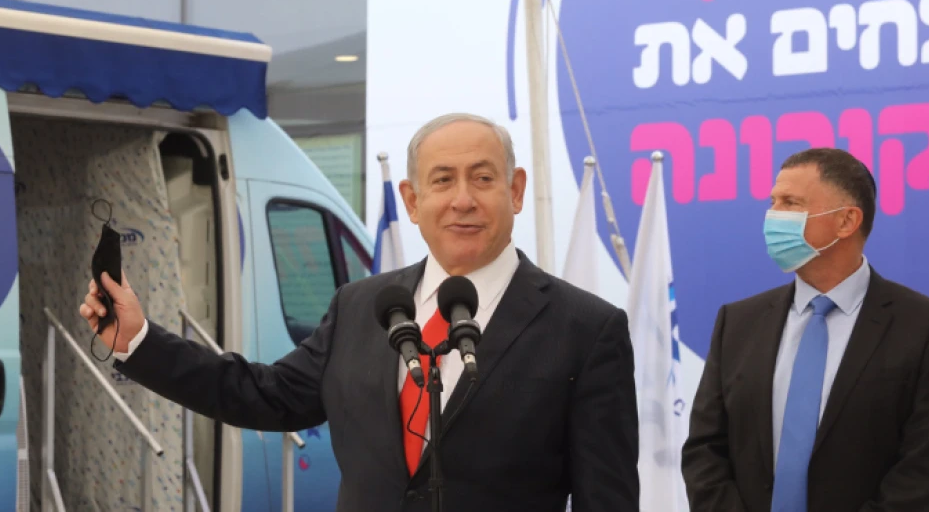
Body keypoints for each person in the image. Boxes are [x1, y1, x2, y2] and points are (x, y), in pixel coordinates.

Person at [80, 112, 640, 512]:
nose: (463, 199)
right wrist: (140, 341)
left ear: (515, 191)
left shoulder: (587, 330)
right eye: (442, 180)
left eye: (483, 178)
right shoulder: (362, 306)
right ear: (414, 200)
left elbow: (607, 498)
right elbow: (265, 394)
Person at [681, 147, 929, 512]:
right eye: (773, 201)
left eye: (791, 203)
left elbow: (925, 472)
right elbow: (705, 450)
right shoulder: (737, 322)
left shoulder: (926, 327)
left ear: (846, 221)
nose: (773, 216)